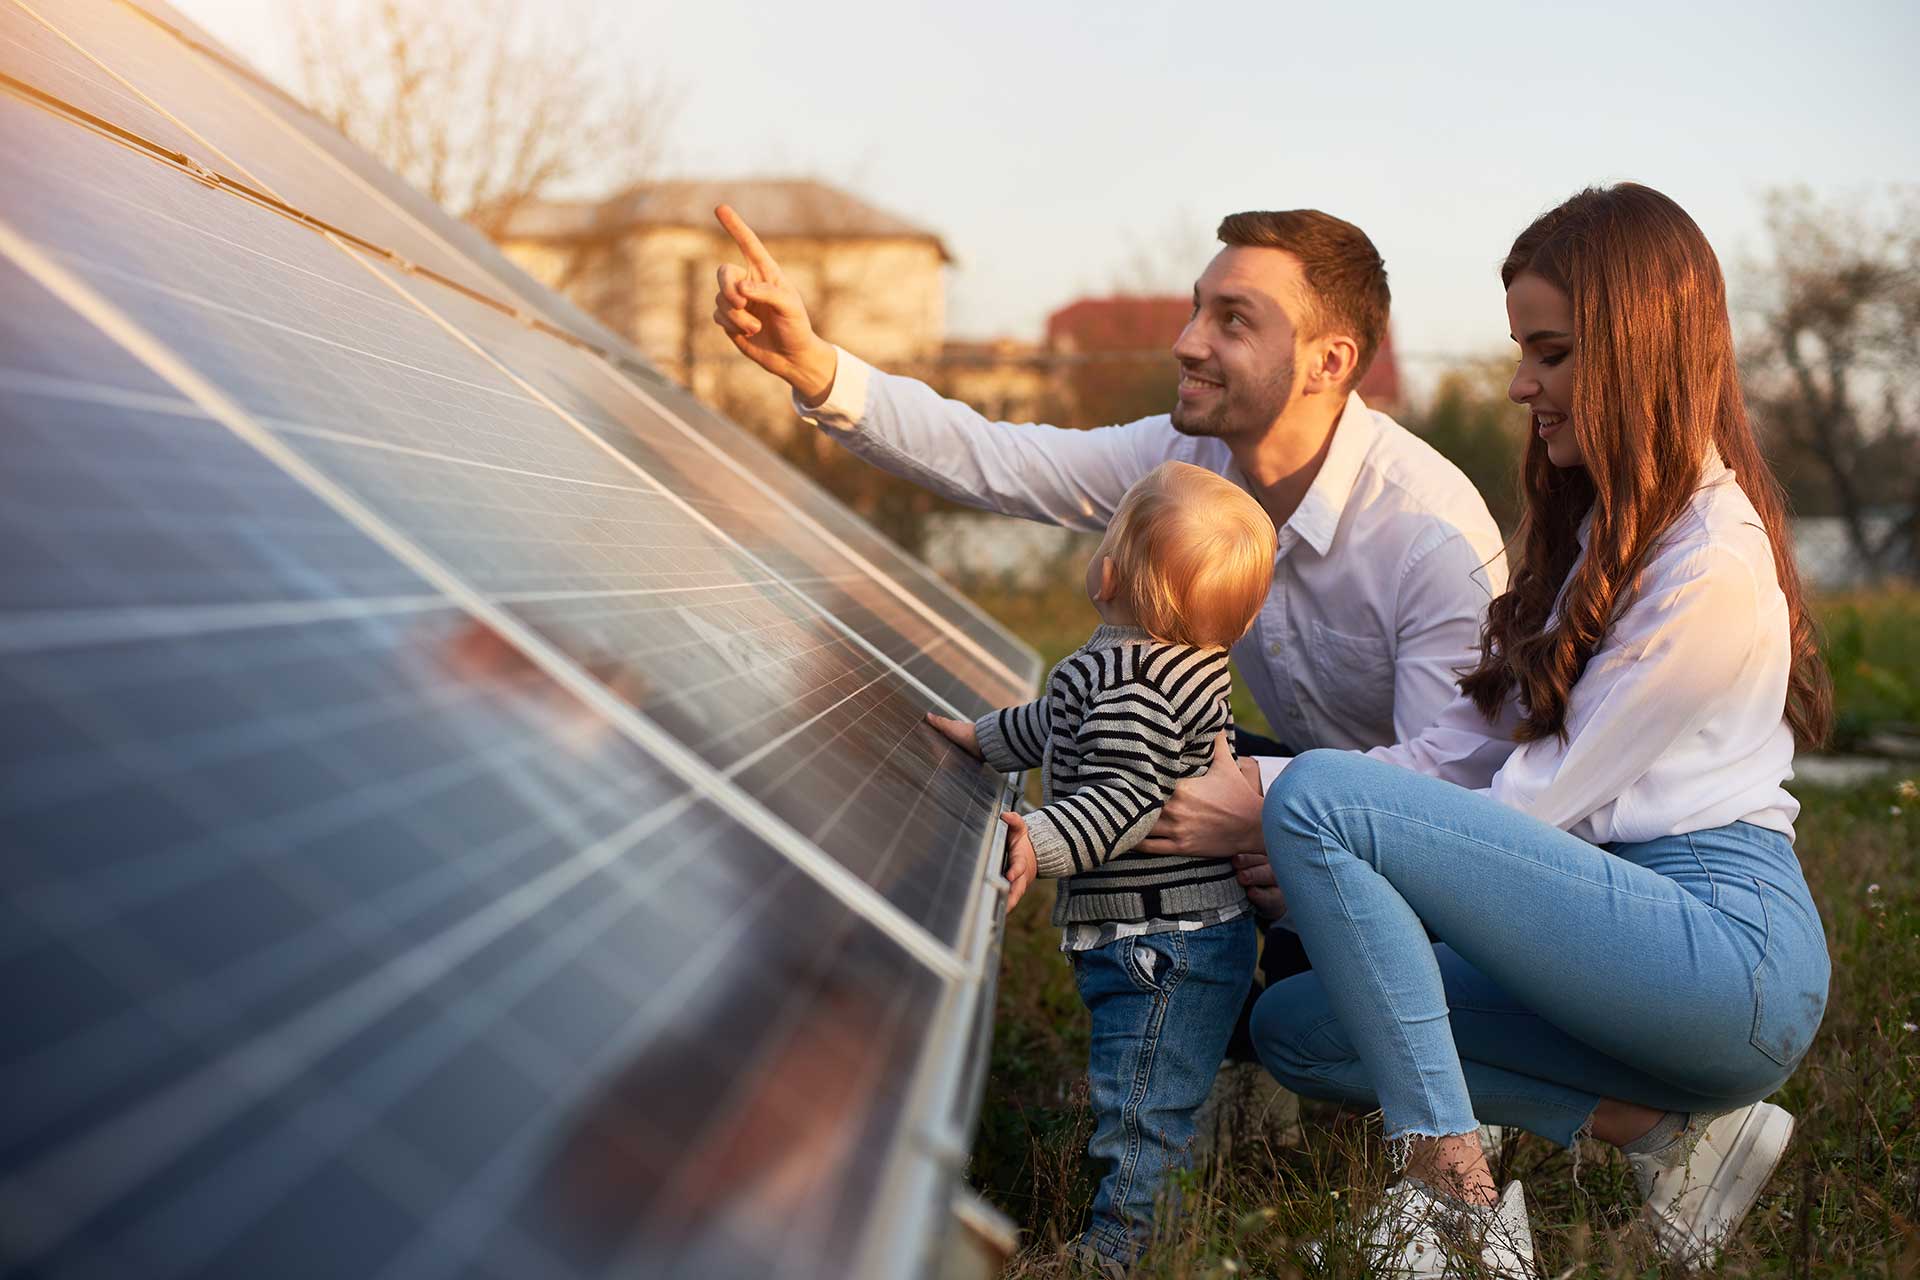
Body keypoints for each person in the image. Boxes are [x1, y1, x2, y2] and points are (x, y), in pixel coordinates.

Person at [709, 201, 1507, 1037]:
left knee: (1230, 822)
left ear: (1328, 361)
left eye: (1233, 320)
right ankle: (1194, 1050)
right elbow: (1001, 459)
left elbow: (1453, 785)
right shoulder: (1187, 460)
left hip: (1445, 858)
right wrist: (814, 368)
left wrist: (1277, 813)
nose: (1188, 341)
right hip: (1307, 799)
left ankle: (1464, 1064)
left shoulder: (1426, 535)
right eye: (1198, 306)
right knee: (1146, 751)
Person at [1234, 183, 1833, 1276]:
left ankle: (1452, 1198)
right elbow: (1475, 748)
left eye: (1550, 354)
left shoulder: (1711, 567)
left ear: (1640, 347)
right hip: (1611, 935)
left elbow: (1542, 808)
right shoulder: (1614, 529)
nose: (1522, 384)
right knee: (1304, 1028)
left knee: (1318, 796)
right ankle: (1677, 1136)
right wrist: (1308, 835)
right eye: (1524, 351)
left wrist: (1303, 825)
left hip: (1721, 954)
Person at [925, 460, 1275, 1268]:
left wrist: (1038, 840)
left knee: (1143, 1102)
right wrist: (984, 737)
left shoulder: (1133, 686)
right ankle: (1151, 1215)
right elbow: (1056, 721)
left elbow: (1124, 799)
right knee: (1147, 1083)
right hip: (1176, 936)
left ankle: (1124, 1251)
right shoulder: (1151, 666)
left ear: (1109, 570)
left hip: (1161, 943)